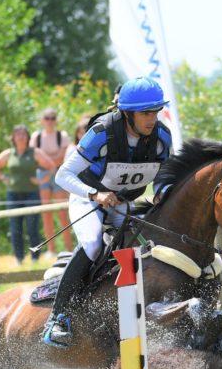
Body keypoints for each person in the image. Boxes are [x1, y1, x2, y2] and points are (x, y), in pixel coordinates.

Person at [42, 77, 174, 348]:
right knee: (92, 244)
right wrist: (95, 194)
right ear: (127, 113)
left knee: (145, 246)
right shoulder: (102, 133)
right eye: (145, 113)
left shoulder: (161, 136)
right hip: (87, 197)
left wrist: (161, 190)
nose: (152, 119)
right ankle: (58, 319)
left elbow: (165, 172)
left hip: (122, 202)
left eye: (155, 112)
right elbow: (62, 175)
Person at [0, 125, 56, 266]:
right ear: (13, 137)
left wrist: (42, 180)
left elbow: (51, 166)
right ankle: (19, 258)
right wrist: (3, 178)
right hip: (13, 195)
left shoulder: (35, 152)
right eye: (18, 134)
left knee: (32, 227)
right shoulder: (9, 153)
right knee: (15, 228)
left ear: (28, 137)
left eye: (24, 134)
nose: (21, 137)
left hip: (31, 194)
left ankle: (35, 258)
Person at [31, 108, 73, 257]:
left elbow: (61, 158)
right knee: (46, 213)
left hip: (58, 174)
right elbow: (36, 157)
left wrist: (47, 161)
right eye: (46, 118)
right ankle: (51, 250)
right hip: (43, 175)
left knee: (63, 212)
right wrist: (50, 162)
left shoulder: (62, 136)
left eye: (52, 118)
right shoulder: (36, 137)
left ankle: (69, 249)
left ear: (55, 120)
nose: (49, 121)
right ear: (42, 120)